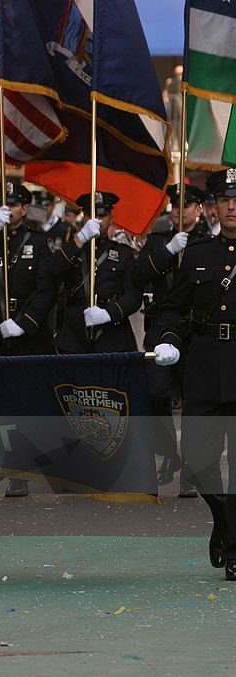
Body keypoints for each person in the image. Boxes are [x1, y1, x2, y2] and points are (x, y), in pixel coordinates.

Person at [154, 167, 236, 580]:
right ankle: (224, 521)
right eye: (225, 200)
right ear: (213, 207)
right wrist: (168, 338)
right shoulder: (199, 254)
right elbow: (172, 307)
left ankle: (235, 543)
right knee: (198, 461)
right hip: (203, 366)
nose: (234, 206)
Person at [0, 183, 60, 497]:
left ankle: (20, 470)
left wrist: (24, 324)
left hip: (24, 330)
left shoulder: (40, 242)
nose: (10, 209)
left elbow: (46, 289)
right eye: (4, 203)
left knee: (23, 403)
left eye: (15, 204)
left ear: (25, 209)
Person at [133, 183, 209, 497]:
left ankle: (191, 468)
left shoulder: (211, 242)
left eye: (187, 206)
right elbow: (137, 277)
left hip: (197, 328)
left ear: (200, 208)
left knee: (196, 400)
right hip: (163, 325)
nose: (180, 212)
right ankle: (169, 453)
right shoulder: (159, 241)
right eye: (175, 207)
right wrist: (168, 251)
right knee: (154, 391)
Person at [49, 192, 141, 354]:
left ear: (111, 218)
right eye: (91, 215)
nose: (97, 220)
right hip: (75, 333)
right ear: (84, 218)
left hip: (112, 333)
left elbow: (133, 297)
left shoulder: (124, 253)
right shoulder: (72, 248)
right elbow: (54, 270)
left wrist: (109, 313)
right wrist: (81, 238)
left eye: (102, 215)